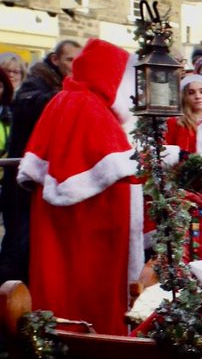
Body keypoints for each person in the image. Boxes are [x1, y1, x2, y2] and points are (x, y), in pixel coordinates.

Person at [15, 39, 141, 335]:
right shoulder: (87, 105)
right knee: (84, 294)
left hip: (69, 227)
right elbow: (100, 170)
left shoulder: (70, 99)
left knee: (60, 285)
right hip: (88, 230)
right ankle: (93, 346)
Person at [0, 38, 80, 283]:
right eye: (69, 60)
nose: (74, 65)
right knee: (19, 243)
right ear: (55, 59)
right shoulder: (36, 81)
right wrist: (68, 95)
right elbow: (30, 104)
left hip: (41, 179)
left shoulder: (57, 83)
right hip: (21, 181)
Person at [164, 74, 202, 161]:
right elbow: (166, 152)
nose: (198, 96)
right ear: (184, 97)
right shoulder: (175, 123)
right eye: (191, 93)